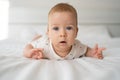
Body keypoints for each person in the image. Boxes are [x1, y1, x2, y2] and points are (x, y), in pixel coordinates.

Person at [23, 3, 106, 60]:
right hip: (43, 38)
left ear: (76, 32)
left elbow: (87, 50)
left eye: (69, 28)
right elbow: (29, 46)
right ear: (48, 31)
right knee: (36, 39)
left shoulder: (77, 47)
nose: (62, 34)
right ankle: (39, 36)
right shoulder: (44, 46)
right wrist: (28, 52)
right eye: (56, 28)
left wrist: (93, 53)